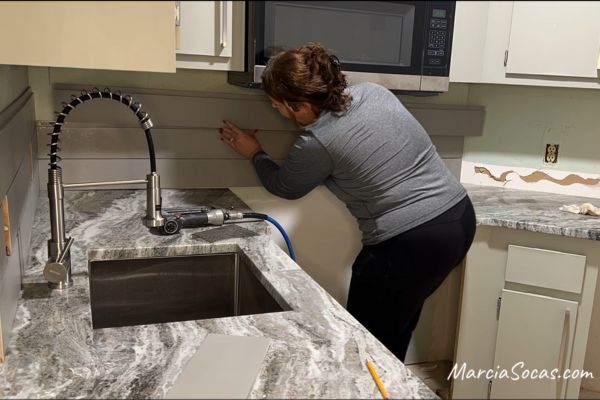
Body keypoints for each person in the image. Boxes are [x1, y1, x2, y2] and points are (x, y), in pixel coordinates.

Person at [219, 43, 476, 362]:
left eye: (277, 105)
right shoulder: (374, 92)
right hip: (459, 219)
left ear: (298, 105)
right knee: (395, 327)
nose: (276, 111)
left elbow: (285, 186)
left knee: (367, 344)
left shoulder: (317, 142)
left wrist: (254, 152)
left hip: (412, 241)